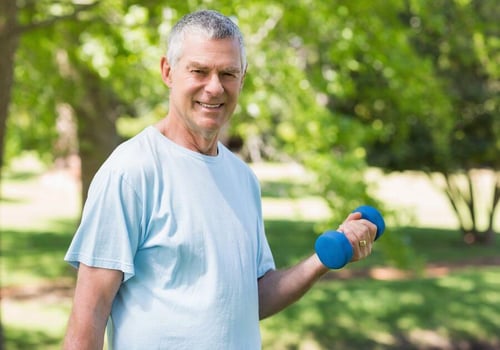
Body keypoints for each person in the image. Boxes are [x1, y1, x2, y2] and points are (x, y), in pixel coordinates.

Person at [63, 9, 377, 350]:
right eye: (199, 71)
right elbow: (88, 318)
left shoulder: (242, 179)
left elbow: (248, 299)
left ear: (242, 79)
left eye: (228, 73)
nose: (214, 87)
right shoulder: (132, 171)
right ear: (168, 71)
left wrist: (322, 260)